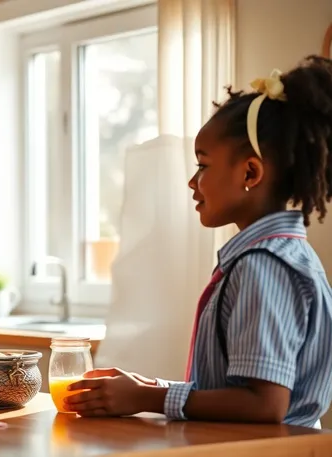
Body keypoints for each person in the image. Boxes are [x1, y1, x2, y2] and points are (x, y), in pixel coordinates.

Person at [66, 55, 332, 428]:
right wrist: (147, 386)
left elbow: (264, 405)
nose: (193, 182)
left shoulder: (264, 266)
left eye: (203, 165)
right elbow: (234, 391)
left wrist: (149, 398)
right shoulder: (271, 257)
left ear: (250, 172)